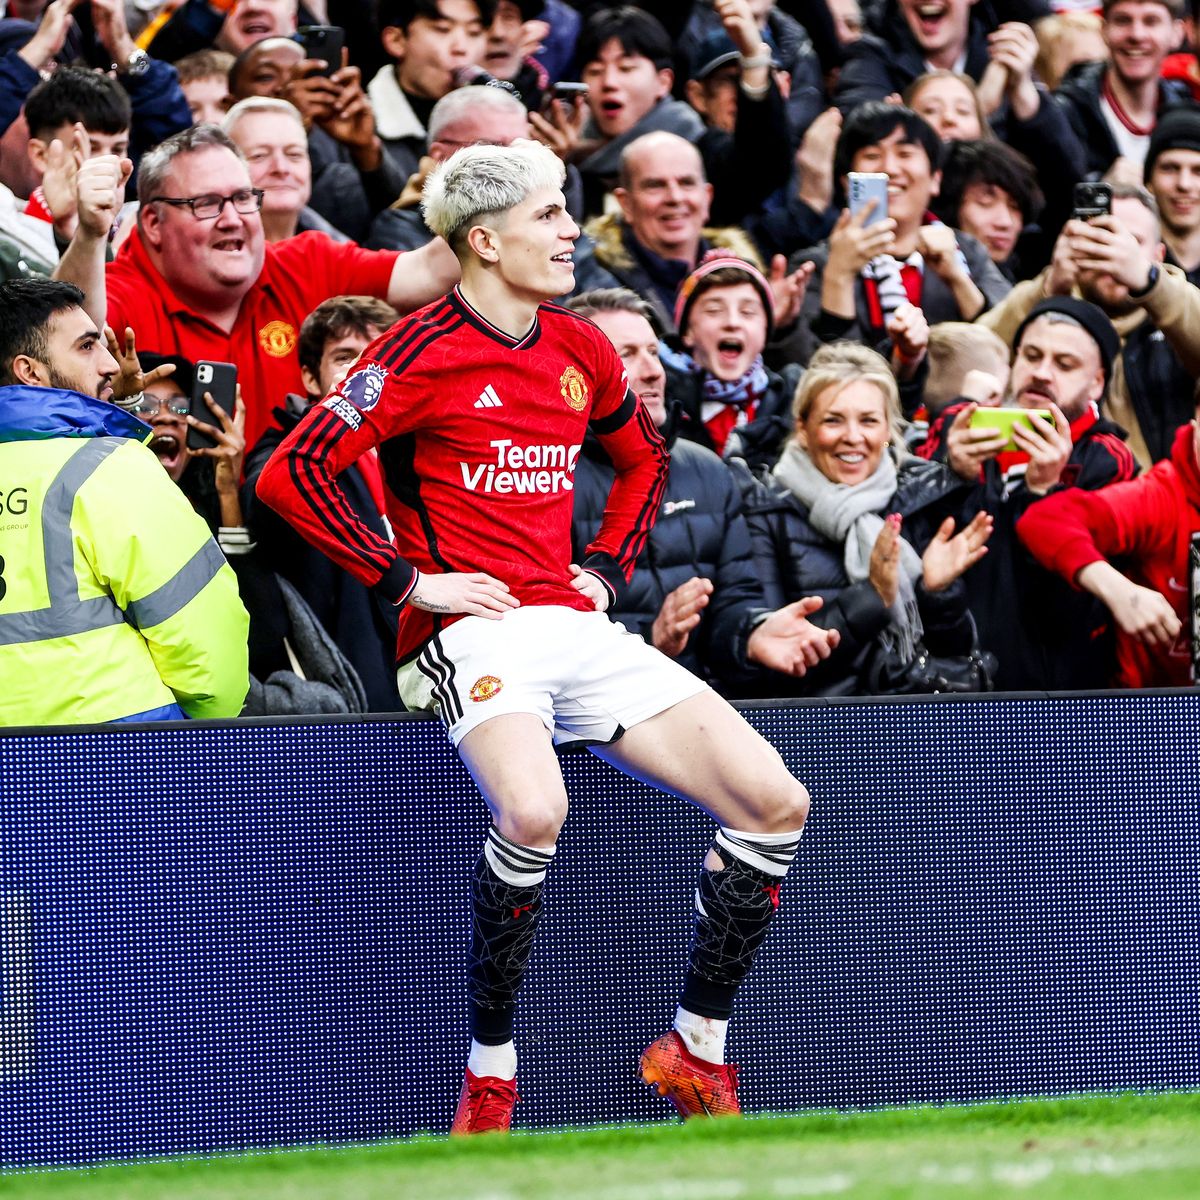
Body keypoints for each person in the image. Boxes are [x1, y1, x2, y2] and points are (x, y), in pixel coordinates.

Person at [256, 140, 812, 1131]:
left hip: (569, 619)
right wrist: (406, 579)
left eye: (566, 213)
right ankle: (491, 1071)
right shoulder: (416, 349)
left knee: (776, 801)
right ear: (482, 239)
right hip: (472, 632)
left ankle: (695, 1050)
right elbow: (288, 471)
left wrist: (604, 570)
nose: (568, 234)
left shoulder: (580, 348)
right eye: (550, 216)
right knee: (534, 814)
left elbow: (644, 460)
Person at [53, 123, 460, 451]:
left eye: (244, 198)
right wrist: (91, 234)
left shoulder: (305, 263)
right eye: (207, 203)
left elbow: (428, 274)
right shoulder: (124, 290)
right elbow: (61, 333)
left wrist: (508, 182)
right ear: (154, 224)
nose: (233, 219)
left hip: (301, 531)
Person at [0, 277, 248, 725]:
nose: (111, 364)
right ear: (30, 371)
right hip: (124, 762)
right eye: (87, 347)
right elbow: (205, 638)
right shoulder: (111, 466)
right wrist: (202, 728)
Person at [569, 285, 841, 692]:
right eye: (626, 354)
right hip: (588, 720)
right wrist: (649, 641)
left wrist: (751, 633)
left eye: (653, 351)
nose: (652, 370)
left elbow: (734, 600)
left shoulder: (707, 470)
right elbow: (548, 631)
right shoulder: (543, 479)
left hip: (697, 704)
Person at [736, 341, 993, 696]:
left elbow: (959, 660)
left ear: (887, 430)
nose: (853, 437)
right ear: (804, 429)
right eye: (833, 420)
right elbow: (770, 669)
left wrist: (935, 595)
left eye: (869, 420)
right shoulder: (765, 512)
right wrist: (873, 596)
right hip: (817, 735)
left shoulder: (918, 500)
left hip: (911, 725)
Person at [929, 296, 1139, 689]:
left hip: (1058, 691)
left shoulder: (1109, 460)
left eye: (1064, 364)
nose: (1041, 373)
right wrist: (954, 475)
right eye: (1031, 355)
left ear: (1097, 382)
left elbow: (1074, 606)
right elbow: (923, 551)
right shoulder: (962, 432)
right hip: (958, 681)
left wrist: (1043, 493)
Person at [243, 295, 405, 712]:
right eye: (345, 357)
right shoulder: (285, 449)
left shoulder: (431, 448)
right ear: (311, 380)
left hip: (435, 665)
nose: (364, 371)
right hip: (357, 682)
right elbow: (267, 504)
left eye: (377, 355)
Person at [979, 184, 1200, 466]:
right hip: (1041, 487)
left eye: (1131, 242)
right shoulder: (1048, 301)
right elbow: (973, 357)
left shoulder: (1179, 307)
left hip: (1150, 501)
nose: (1113, 253)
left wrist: (1149, 281)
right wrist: (1049, 287)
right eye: (1101, 237)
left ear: (1158, 255)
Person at [791, 102, 1011, 368]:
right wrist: (839, 276)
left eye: (905, 153)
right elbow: (810, 369)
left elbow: (1006, 345)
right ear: (846, 183)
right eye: (872, 155)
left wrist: (957, 279)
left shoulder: (967, 252)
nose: (890, 168)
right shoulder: (814, 265)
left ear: (935, 179)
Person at [1017, 380, 1199, 687]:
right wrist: (1119, 590)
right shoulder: (1162, 495)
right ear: (1194, 421)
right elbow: (1045, 518)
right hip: (1152, 713)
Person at [664, 253, 803, 471]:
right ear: (688, 331)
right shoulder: (660, 403)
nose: (732, 322)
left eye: (748, 312)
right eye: (714, 311)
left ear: (765, 331)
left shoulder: (792, 402)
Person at [1053, 0, 1189, 180]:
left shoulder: (1187, 117)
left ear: (1177, 33)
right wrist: (1102, 190)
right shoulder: (1063, 114)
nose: (1137, 35)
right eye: (1123, 20)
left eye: (1151, 21)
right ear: (1103, 30)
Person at [368, 0, 496, 182]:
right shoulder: (358, 122)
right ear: (396, 40)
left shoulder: (499, 120)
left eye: (474, 32)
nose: (461, 48)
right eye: (443, 29)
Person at [222, 97, 346, 242]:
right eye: (259, 156)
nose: (281, 168)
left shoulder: (343, 258)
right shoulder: (199, 260)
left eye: (294, 154)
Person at [1144, 104, 1200, 285]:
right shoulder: (1133, 259)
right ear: (1148, 182)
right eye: (1169, 168)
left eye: (1198, 171)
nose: (1184, 184)